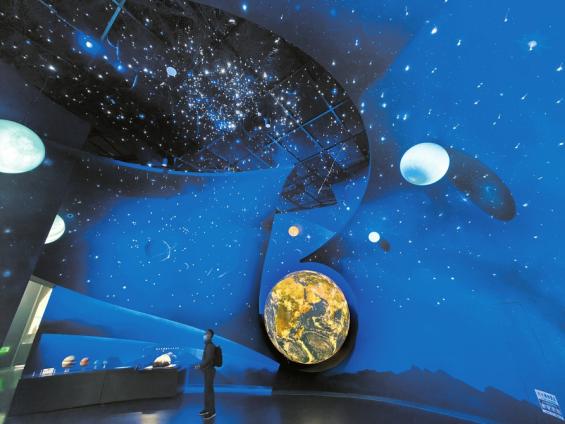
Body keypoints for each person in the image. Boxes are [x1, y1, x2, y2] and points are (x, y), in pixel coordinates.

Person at [194, 329, 216, 419]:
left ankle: (212, 412)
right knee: (207, 391)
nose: (204, 335)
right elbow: (206, 358)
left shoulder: (210, 346)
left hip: (210, 371)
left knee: (209, 391)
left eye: (206, 334)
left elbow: (208, 359)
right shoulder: (207, 345)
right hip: (207, 371)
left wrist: (199, 365)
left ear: (210, 335)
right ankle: (207, 409)